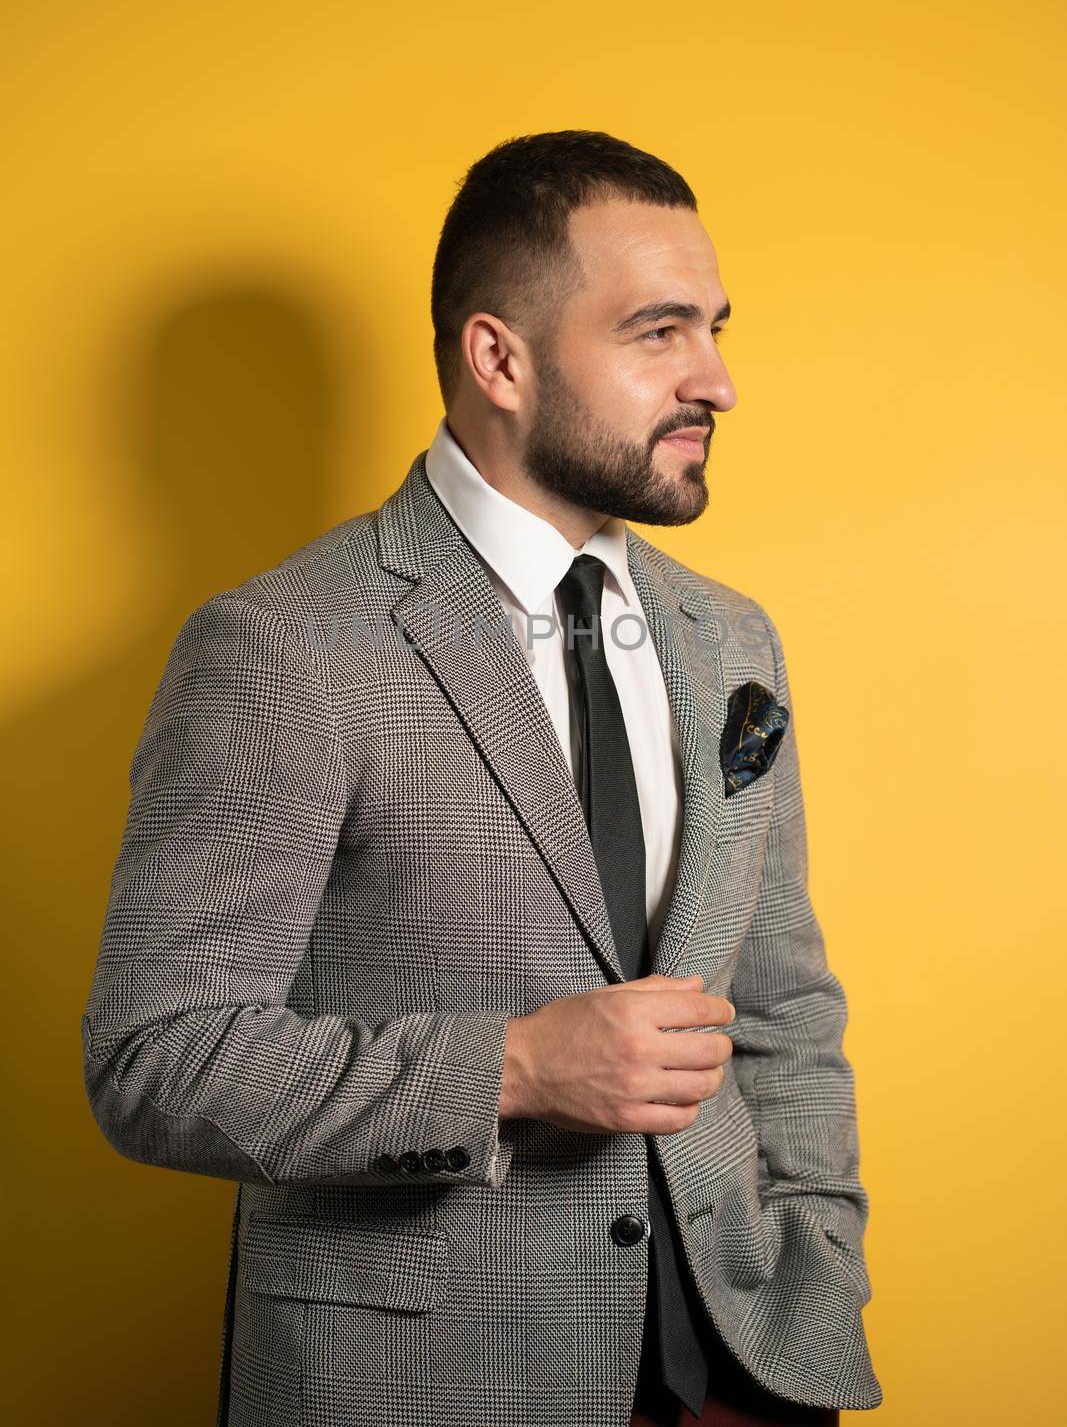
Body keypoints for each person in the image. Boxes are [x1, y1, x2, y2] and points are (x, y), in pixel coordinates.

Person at [82, 129, 882, 1427]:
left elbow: (783, 1002)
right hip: (431, 1384)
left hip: (744, 1371)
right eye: (659, 332)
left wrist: (816, 1276)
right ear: (498, 358)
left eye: (716, 328)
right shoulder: (283, 645)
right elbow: (155, 1060)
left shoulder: (731, 640)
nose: (718, 381)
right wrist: (509, 1068)